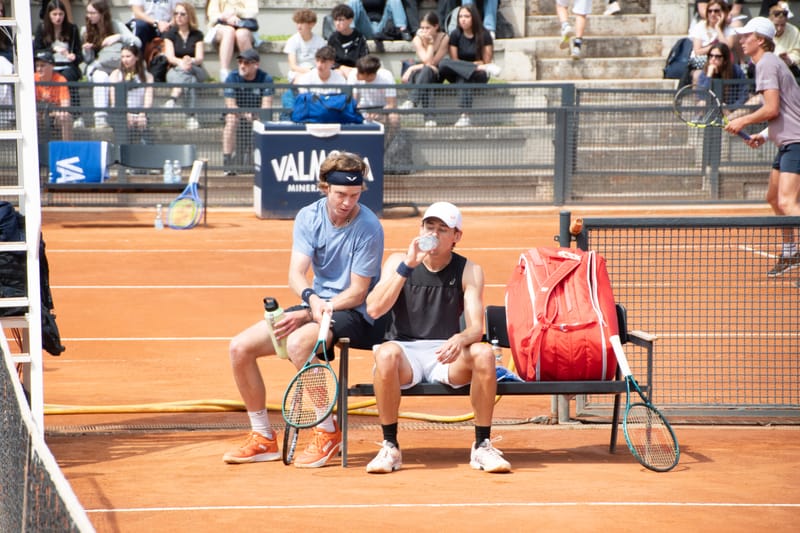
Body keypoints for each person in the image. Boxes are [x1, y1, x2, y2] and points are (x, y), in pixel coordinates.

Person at [223, 150, 384, 468]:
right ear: (325, 187)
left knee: (299, 343)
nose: (347, 202)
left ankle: (328, 432)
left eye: (354, 195)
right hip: (317, 303)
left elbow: (357, 292)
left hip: (354, 312)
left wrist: (312, 312)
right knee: (239, 348)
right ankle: (263, 438)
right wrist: (310, 300)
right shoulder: (309, 216)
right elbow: (296, 274)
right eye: (340, 194)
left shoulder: (369, 227)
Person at [363, 201, 511, 474]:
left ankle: (482, 446)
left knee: (484, 353)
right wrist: (408, 265)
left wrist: (461, 338)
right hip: (405, 353)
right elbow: (374, 308)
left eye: (443, 229)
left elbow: (475, 327)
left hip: (446, 355)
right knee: (385, 353)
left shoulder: (469, 270)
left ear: (456, 236)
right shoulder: (398, 262)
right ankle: (390, 446)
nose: (434, 233)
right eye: (429, 226)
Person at [725, 17, 800, 277]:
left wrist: (742, 119)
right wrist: (765, 135)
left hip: (796, 142)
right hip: (788, 140)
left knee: (788, 203)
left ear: (760, 40)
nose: (742, 40)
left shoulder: (766, 62)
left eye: (747, 36)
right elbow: (788, 111)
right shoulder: (769, 63)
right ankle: (791, 252)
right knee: (773, 199)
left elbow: (772, 108)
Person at [81, 0, 141, 129]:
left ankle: (125, 118)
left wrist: (119, 37)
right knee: (101, 77)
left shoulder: (116, 25)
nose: (89, 16)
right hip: (98, 67)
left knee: (120, 77)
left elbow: (137, 42)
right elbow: (88, 60)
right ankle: (100, 119)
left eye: (93, 13)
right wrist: (87, 51)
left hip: (117, 67)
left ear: (102, 14)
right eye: (88, 12)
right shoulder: (85, 31)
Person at [438, 4, 496, 127]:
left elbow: (486, 61)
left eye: (467, 16)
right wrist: (476, 65)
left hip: (478, 75)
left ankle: (465, 116)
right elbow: (454, 61)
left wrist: (476, 67)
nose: (463, 19)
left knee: (463, 77)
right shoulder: (455, 34)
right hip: (467, 69)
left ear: (474, 18)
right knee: (443, 64)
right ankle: (465, 116)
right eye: (460, 16)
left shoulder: (484, 35)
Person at [222, 49, 274, 175]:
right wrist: (246, 114)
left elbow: (266, 106)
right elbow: (230, 105)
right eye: (240, 62)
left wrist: (256, 116)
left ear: (256, 64)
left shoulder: (265, 79)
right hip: (238, 114)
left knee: (264, 122)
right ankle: (227, 163)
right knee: (231, 119)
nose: (242, 65)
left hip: (257, 116)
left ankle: (265, 163)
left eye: (246, 63)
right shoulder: (232, 77)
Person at [34, 1, 84, 127]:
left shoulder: (72, 29)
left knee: (67, 78)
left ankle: (75, 115)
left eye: (61, 14)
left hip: (67, 65)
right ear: (49, 15)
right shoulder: (42, 28)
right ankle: (50, 113)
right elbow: (36, 51)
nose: (58, 18)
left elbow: (79, 54)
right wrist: (52, 50)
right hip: (49, 65)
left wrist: (73, 56)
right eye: (54, 14)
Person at [161, 2, 208, 130]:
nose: (178, 16)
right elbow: (170, 57)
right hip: (175, 70)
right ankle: (191, 116)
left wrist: (190, 61)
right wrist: (182, 63)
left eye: (182, 14)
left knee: (190, 73)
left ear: (189, 16)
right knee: (191, 80)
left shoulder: (197, 34)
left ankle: (173, 97)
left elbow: (199, 58)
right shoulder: (170, 34)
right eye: (176, 13)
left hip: (195, 69)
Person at [400, 10, 449, 127]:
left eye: (428, 28)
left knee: (428, 72)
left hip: (437, 73)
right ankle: (430, 118)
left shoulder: (444, 38)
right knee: (427, 75)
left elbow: (432, 62)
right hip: (421, 75)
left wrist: (431, 44)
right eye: (422, 28)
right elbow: (427, 62)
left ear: (436, 26)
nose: (424, 31)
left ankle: (412, 100)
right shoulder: (417, 39)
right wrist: (415, 69)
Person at [205, 0, 259, 82]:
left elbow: (253, 12)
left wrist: (236, 13)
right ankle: (224, 72)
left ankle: (250, 73)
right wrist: (225, 17)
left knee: (241, 34)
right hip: (221, 25)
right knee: (229, 31)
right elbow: (212, 15)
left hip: (244, 25)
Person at [109, 44, 153, 143]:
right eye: (123, 57)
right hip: (120, 113)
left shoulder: (147, 76)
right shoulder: (115, 74)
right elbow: (113, 99)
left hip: (139, 112)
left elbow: (148, 99)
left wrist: (142, 114)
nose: (125, 60)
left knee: (145, 130)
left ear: (136, 57)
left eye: (128, 56)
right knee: (123, 126)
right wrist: (126, 114)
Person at [347, 54, 398, 130]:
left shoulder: (386, 76)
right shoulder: (353, 75)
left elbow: (391, 104)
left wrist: (380, 112)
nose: (357, 74)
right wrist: (362, 111)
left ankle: (388, 142)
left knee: (394, 118)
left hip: (382, 110)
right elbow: (352, 102)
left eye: (360, 72)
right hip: (361, 109)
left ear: (370, 75)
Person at [689, 0, 737, 74]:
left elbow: (727, 48)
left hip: (721, 62)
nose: (712, 14)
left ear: (723, 12)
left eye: (716, 11)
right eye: (710, 11)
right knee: (698, 74)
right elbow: (697, 51)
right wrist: (714, 47)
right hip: (702, 62)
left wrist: (718, 28)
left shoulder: (729, 30)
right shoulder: (700, 27)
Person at [694, 42, 748, 108]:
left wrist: (731, 108)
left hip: (732, 109)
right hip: (712, 108)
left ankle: (728, 117)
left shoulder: (736, 70)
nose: (713, 59)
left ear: (725, 60)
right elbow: (701, 96)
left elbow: (744, 94)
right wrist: (709, 76)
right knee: (702, 103)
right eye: (711, 56)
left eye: (717, 56)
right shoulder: (706, 72)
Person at [34, 50, 73, 141]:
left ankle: (67, 149)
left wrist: (52, 113)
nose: (39, 69)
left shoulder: (60, 79)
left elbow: (65, 107)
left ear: (52, 66)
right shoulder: (32, 78)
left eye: (42, 65)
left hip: (55, 116)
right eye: (37, 66)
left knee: (66, 117)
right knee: (32, 116)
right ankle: (35, 148)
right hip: (39, 115)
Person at [284, 8, 327, 83]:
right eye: (297, 23)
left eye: (302, 23)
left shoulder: (320, 41)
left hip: (316, 72)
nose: (299, 26)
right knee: (301, 80)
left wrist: (315, 72)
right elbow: (293, 66)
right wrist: (308, 71)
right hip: (298, 73)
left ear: (311, 24)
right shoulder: (292, 41)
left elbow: (323, 62)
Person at [327, 3, 370, 78]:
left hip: (355, 71)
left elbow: (365, 58)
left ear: (350, 20)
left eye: (341, 20)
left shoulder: (359, 38)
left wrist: (352, 70)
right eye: (335, 20)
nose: (337, 23)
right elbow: (329, 59)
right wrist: (342, 67)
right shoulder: (333, 38)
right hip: (338, 71)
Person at [348, 0, 413, 47]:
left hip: (381, 26)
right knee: (354, 1)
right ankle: (350, 33)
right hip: (366, 27)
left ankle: (402, 29)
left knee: (394, 0)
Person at [766, 1, 800, 76]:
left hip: (789, 67)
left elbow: (797, 53)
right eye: (776, 25)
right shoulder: (764, 30)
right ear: (770, 20)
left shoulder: (794, 31)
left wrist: (789, 60)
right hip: (767, 66)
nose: (779, 28)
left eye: (783, 25)